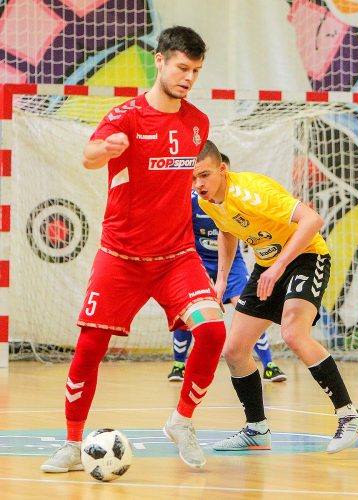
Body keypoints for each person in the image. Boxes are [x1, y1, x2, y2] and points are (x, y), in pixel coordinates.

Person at [41, 26, 226, 471]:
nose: (188, 78)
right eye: (182, 68)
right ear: (159, 61)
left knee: (213, 332)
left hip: (177, 258)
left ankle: (181, 421)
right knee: (89, 347)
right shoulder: (124, 117)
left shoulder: (198, 123)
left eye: (196, 71)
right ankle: (71, 443)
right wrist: (106, 148)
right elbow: (89, 155)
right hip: (121, 257)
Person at [192, 140, 358, 453]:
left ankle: (349, 415)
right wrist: (220, 284)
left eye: (204, 175)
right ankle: (256, 430)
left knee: (293, 333)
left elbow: (312, 220)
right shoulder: (206, 201)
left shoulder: (251, 192)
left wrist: (280, 266)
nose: (199, 184)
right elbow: (227, 231)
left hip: (306, 257)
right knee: (234, 350)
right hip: (268, 265)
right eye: (193, 178)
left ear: (222, 169)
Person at [168, 154, 287, 384]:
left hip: (232, 263)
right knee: (189, 306)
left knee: (249, 307)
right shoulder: (195, 200)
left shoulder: (240, 196)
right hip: (199, 259)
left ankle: (269, 364)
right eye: (201, 176)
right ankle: (178, 364)